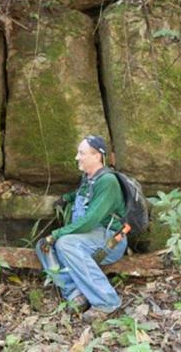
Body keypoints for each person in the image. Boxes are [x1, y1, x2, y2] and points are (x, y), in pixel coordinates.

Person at [36, 135, 127, 322]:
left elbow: (90, 221)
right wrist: (66, 198)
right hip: (89, 237)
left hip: (109, 240)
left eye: (81, 153)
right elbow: (81, 194)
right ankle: (76, 294)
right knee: (42, 246)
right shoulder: (89, 178)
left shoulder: (108, 182)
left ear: (96, 156)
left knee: (64, 243)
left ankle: (107, 301)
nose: (77, 157)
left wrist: (56, 234)